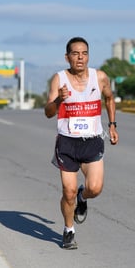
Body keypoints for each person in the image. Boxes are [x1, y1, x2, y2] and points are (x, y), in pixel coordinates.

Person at [44, 37, 119, 250]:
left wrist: (112, 125)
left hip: (92, 141)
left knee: (94, 188)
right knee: (67, 192)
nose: (80, 57)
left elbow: (110, 98)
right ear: (67, 57)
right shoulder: (59, 79)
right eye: (75, 53)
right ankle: (69, 230)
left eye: (84, 53)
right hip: (67, 143)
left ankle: (82, 196)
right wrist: (59, 100)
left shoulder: (100, 77)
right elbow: (48, 113)